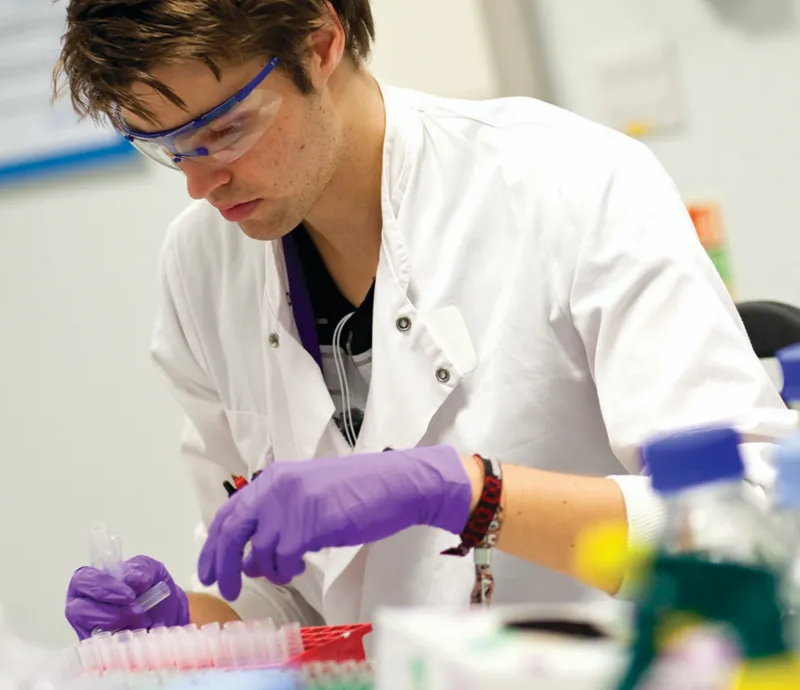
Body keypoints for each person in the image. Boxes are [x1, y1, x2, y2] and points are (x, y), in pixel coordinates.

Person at [56, 0, 794, 638]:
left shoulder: (571, 182)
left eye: (227, 128)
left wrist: (469, 493)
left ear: (320, 40)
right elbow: (281, 607)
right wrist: (179, 626)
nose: (199, 181)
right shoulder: (201, 264)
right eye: (164, 143)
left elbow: (757, 534)